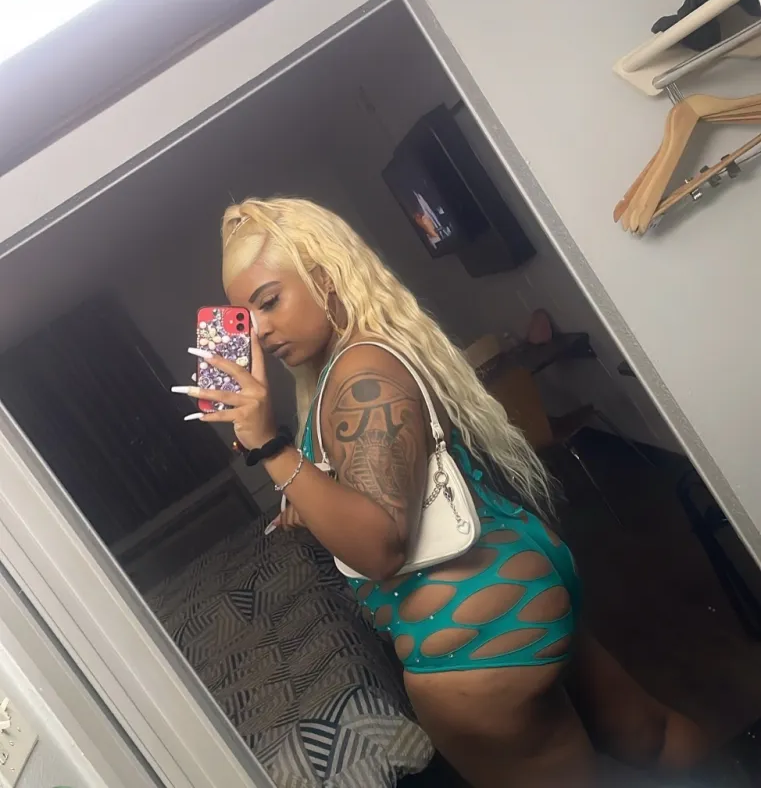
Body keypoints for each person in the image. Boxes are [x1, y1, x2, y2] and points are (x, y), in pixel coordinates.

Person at [174, 197, 710, 787]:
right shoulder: (361, 357)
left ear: (324, 277)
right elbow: (380, 484)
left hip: (470, 640)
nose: (260, 328)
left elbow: (380, 548)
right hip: (512, 583)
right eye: (247, 315)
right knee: (647, 734)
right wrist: (309, 493)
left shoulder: (361, 374)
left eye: (270, 301)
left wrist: (270, 448)